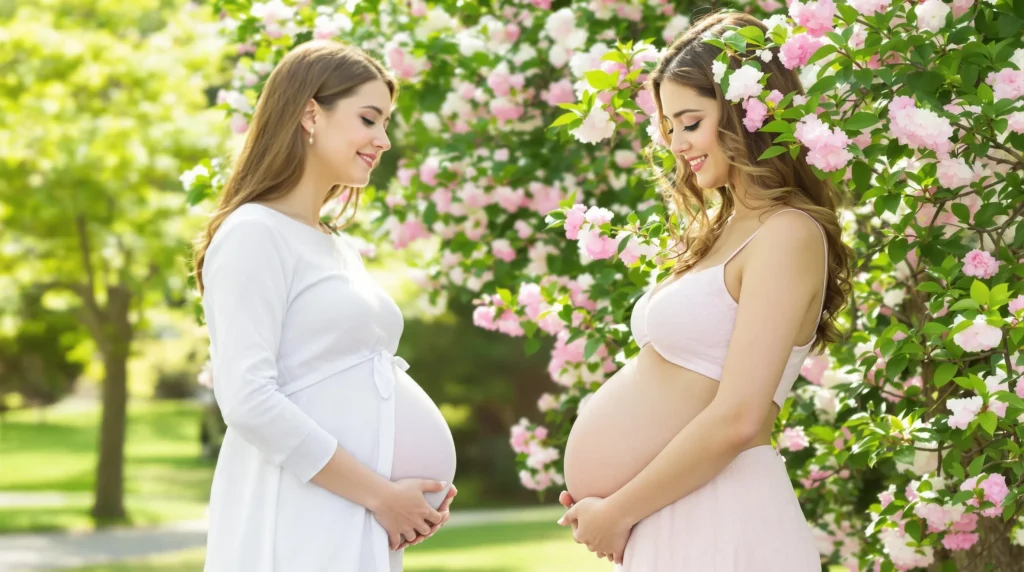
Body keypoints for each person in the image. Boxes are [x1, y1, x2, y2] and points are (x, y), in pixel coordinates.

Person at [556, 11, 853, 571]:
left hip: (723, 516)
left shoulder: (787, 233)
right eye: (669, 127)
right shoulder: (721, 231)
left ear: (744, 111)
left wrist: (617, 511)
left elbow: (742, 417)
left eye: (690, 122)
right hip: (672, 511)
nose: (677, 144)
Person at [193, 40, 458, 572]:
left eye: (386, 123)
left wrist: (400, 495)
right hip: (299, 515)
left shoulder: (334, 242)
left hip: (351, 514)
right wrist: (382, 495)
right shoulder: (254, 233)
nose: (382, 140)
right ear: (311, 112)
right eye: (369, 119)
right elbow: (247, 400)